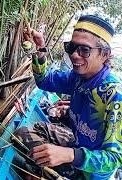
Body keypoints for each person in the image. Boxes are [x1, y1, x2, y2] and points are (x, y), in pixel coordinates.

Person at [14, 14, 122, 179]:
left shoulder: (115, 96)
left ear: (104, 54)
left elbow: (114, 158)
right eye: (71, 47)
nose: (74, 55)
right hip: (77, 142)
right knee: (23, 133)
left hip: (89, 172)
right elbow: (44, 81)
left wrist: (69, 155)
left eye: (84, 50)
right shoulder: (78, 77)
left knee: (30, 161)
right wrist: (40, 50)